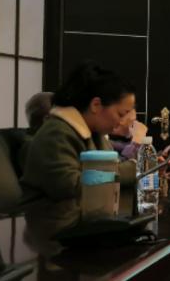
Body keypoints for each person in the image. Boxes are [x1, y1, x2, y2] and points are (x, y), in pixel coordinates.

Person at [21, 62, 138, 209]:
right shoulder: (56, 134)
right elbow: (73, 186)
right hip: (50, 218)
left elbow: (109, 171)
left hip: (84, 215)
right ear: (96, 105)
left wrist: (143, 170)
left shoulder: (95, 133)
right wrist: (133, 169)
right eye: (121, 114)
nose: (122, 122)